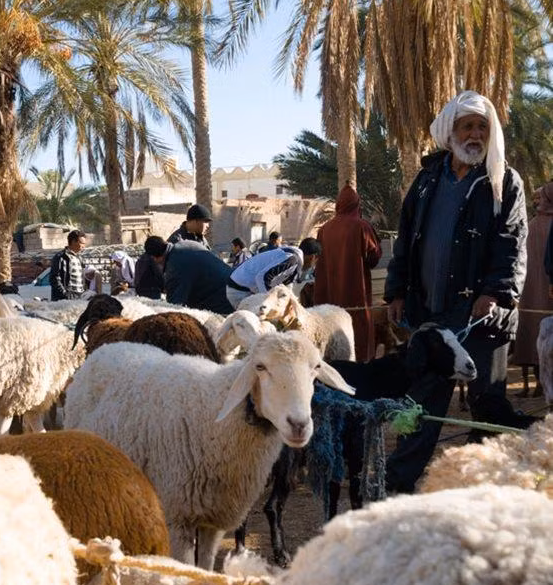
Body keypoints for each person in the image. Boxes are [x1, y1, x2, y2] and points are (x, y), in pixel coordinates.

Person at [384, 90, 528, 493]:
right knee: (422, 403)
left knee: (487, 404)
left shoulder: (503, 181)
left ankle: (485, 491)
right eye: (468, 125)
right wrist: (396, 292)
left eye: (483, 126)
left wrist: (495, 293)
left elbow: (512, 242)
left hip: (483, 315)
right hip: (431, 313)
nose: (476, 134)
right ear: (451, 131)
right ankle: (398, 487)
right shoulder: (428, 180)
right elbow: (406, 239)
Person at [313, 183, 383, 362]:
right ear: (356, 204)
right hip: (355, 295)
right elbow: (374, 258)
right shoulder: (362, 227)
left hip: (329, 296)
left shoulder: (324, 229)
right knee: (357, 331)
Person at [513, 182, 553, 396]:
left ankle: (537, 384)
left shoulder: (530, 225)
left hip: (530, 292)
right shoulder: (531, 225)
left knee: (531, 334)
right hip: (544, 292)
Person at [144, 236, 233, 314]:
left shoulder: (175, 266)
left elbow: (174, 306)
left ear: (155, 258)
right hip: (234, 287)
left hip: (221, 301)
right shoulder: (187, 244)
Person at [225, 238, 322, 309]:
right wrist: (269, 300)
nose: (313, 266)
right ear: (313, 257)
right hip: (239, 291)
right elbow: (262, 277)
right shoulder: (292, 260)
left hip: (242, 288)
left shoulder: (293, 260)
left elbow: (287, 287)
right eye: (316, 262)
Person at [50, 230, 87, 301]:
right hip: (67, 297)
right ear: (73, 241)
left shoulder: (79, 258)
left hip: (80, 296)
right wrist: (64, 294)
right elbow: (54, 278)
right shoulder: (60, 257)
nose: (83, 246)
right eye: (82, 243)